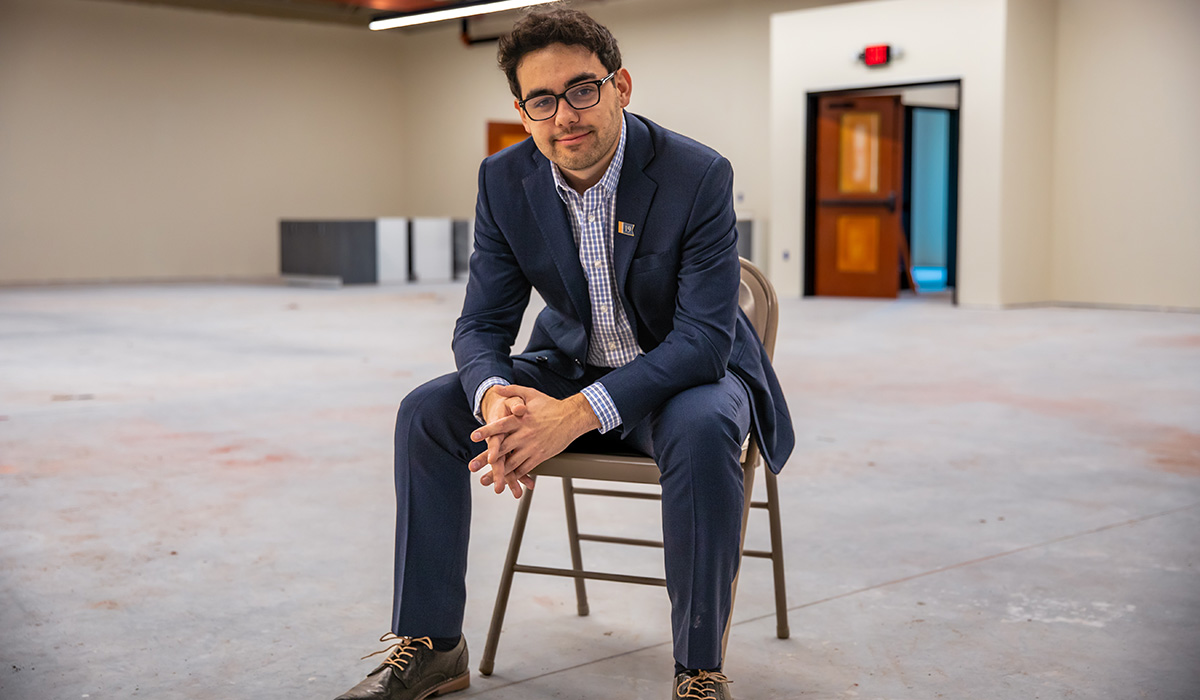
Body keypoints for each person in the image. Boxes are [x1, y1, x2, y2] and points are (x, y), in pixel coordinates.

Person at [334, 8, 793, 700]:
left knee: (703, 429)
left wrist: (573, 416)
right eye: (541, 101)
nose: (564, 116)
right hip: (568, 363)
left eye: (582, 89)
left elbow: (703, 342)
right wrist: (497, 398)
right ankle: (433, 646)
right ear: (522, 112)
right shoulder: (504, 180)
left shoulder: (697, 174)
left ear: (621, 86)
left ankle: (698, 670)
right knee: (427, 411)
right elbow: (481, 324)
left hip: (685, 380)